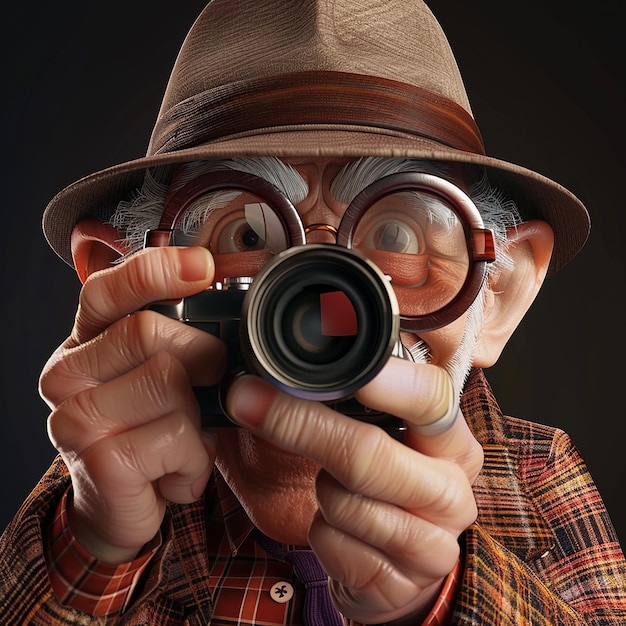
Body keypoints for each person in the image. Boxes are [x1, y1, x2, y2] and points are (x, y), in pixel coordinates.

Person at [1, 0, 624, 624]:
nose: (321, 313)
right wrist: (93, 546)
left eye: (397, 235)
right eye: (246, 236)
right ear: (123, 279)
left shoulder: (538, 479)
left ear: (495, 295)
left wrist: (436, 605)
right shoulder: (97, 487)